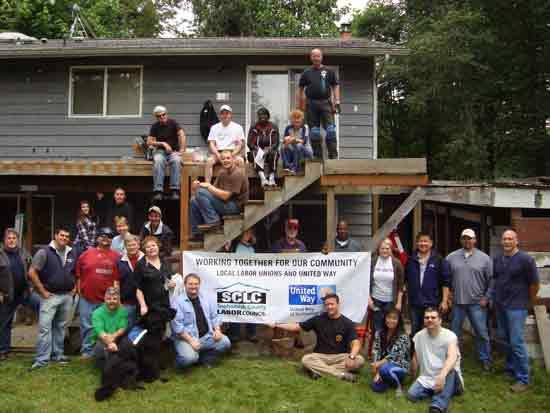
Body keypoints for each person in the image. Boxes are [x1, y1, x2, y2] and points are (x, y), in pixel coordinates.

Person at [272, 293, 364, 381]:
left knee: (359, 360)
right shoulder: (318, 319)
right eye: (327, 305)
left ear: (338, 304)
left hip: (340, 357)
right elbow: (297, 327)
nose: (329, 307)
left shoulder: (348, 323)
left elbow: (355, 343)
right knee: (306, 359)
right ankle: (340, 374)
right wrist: (276, 325)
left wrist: (351, 357)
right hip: (320, 356)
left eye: (332, 304)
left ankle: (318, 371)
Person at [493, 229, 540, 392]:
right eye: (504, 239)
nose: (506, 242)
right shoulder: (498, 259)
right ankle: (511, 369)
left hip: (517, 306)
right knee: (505, 338)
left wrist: (529, 302)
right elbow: (496, 279)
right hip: (501, 305)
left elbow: (535, 284)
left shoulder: (526, 260)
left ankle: (523, 379)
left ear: (516, 241)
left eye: (510, 239)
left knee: (517, 342)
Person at [27, 227, 77, 370]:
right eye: (62, 235)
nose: (64, 238)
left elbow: (75, 272)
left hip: (66, 296)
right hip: (50, 296)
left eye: (67, 236)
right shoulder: (44, 252)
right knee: (45, 328)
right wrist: (42, 291)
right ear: (55, 235)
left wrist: (74, 288)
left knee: (60, 327)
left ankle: (58, 355)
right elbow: (31, 272)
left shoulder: (72, 252)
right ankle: (42, 359)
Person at [446, 228, 493, 371]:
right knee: (454, 334)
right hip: (457, 303)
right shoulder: (451, 257)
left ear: (475, 240)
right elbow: (445, 279)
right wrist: (447, 296)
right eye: (464, 238)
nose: (467, 241)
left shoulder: (485, 258)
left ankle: (485, 359)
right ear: (461, 240)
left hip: (477, 303)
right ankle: (453, 359)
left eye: (470, 238)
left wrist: (486, 297)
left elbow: (492, 280)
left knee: (481, 333)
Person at [75, 227, 121, 358]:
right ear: (97, 238)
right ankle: (87, 351)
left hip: (106, 300)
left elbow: (117, 279)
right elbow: (78, 274)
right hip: (86, 298)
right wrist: (79, 291)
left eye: (109, 236)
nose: (105, 238)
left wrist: (115, 297)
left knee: (106, 327)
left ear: (112, 240)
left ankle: (104, 351)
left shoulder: (117, 257)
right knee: (87, 326)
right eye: (102, 235)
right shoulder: (86, 254)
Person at [407, 307, 463, 413]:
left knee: (451, 369)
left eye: (433, 317)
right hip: (427, 377)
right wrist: (413, 377)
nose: (429, 320)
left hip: (448, 375)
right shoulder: (419, 336)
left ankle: (438, 405)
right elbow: (415, 357)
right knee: (411, 395)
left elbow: (452, 357)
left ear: (440, 320)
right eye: (426, 317)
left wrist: (442, 376)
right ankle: (439, 392)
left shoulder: (450, 336)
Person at [171, 273, 231, 368]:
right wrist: (191, 341)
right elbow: (178, 327)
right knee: (189, 358)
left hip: (206, 336)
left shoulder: (207, 298)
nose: (193, 286)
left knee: (225, 342)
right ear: (184, 285)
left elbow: (214, 317)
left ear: (199, 285)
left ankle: (204, 358)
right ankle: (179, 362)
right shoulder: (177, 302)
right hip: (186, 339)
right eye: (190, 284)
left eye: (196, 284)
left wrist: (217, 330)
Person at [191, 150, 249, 237]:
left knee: (200, 192)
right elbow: (213, 190)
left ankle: (214, 222)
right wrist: (197, 186)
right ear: (220, 161)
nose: (225, 160)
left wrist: (207, 187)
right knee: (194, 200)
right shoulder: (222, 172)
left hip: (235, 207)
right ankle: (197, 233)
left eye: (228, 158)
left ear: (233, 159)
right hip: (225, 203)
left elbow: (226, 196)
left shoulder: (237, 174)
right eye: (223, 159)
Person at [0, 228, 37, 360]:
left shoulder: (23, 253)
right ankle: (3, 350)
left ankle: (45, 347)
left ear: (17, 240)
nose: (11, 240)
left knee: (42, 306)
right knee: (5, 323)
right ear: (4, 240)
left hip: (24, 293)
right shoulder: (1, 254)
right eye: (9, 238)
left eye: (14, 238)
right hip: (7, 295)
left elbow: (32, 269)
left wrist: (32, 286)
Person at [297, 48, 341, 159]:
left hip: (326, 103)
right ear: (311, 58)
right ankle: (318, 157)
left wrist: (337, 101)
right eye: (314, 56)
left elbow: (335, 86)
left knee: (330, 130)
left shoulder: (329, 71)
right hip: (311, 104)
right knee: (314, 132)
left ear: (321, 57)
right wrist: (301, 105)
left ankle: (333, 156)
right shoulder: (306, 73)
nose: (316, 58)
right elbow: (301, 89)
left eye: (318, 56)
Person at [405, 232, 451, 337]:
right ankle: (415, 353)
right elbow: (405, 280)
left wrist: (444, 301)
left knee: (432, 331)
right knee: (415, 332)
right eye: (420, 241)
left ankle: (432, 353)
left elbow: (446, 282)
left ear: (431, 243)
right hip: (415, 303)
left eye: (426, 241)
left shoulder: (439, 260)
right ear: (417, 243)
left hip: (432, 302)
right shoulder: (411, 260)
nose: (423, 243)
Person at [147, 105, 187, 201]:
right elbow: (149, 142)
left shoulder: (173, 123)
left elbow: (182, 134)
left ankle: (175, 190)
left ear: (166, 114)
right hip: (160, 151)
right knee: (158, 161)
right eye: (159, 116)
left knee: (176, 161)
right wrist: (163, 143)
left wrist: (182, 150)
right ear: (156, 117)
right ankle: (158, 191)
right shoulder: (155, 126)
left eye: (163, 115)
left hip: (173, 152)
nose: (162, 117)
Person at [371, 308, 411, 396]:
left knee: (384, 370)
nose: (391, 320)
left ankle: (398, 383)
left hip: (399, 365)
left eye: (394, 318)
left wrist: (379, 366)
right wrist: (376, 369)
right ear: (385, 318)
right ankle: (387, 380)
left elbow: (395, 355)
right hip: (382, 366)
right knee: (376, 387)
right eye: (389, 317)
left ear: (398, 321)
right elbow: (376, 351)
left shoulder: (403, 336)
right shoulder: (379, 333)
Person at [227, 228, 258, 343]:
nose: (248, 234)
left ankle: (252, 333)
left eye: (250, 232)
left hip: (250, 281)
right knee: (235, 306)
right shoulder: (234, 246)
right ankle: (234, 333)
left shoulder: (252, 248)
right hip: (236, 281)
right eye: (245, 232)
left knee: (252, 306)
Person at [369, 238, 405, 334]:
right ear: (378, 249)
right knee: (377, 327)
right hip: (376, 300)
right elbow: (366, 282)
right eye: (382, 248)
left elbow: (401, 284)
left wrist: (399, 302)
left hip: (391, 301)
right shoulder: (372, 262)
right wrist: (369, 300)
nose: (385, 250)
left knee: (390, 326)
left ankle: (389, 347)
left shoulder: (396, 263)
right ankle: (378, 346)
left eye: (387, 248)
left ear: (391, 249)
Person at [134, 236, 176, 316]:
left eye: (153, 245)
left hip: (165, 304)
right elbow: (138, 289)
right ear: (144, 250)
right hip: (149, 307)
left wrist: (171, 284)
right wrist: (143, 305)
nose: (151, 248)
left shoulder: (165, 261)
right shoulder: (140, 264)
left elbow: (168, 280)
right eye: (148, 247)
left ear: (158, 246)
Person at [205, 104, 245, 184]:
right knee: (209, 161)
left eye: (227, 113)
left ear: (231, 115)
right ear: (220, 115)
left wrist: (232, 155)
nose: (225, 115)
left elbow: (240, 144)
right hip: (218, 153)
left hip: (232, 152)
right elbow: (211, 143)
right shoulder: (214, 127)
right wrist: (217, 154)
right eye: (222, 113)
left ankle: (241, 184)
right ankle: (207, 185)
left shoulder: (238, 127)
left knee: (240, 161)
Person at [91, 287, 128, 369]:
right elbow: (100, 332)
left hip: (117, 338)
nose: (111, 301)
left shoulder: (123, 311)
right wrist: (110, 343)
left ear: (119, 300)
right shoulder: (97, 313)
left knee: (127, 345)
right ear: (104, 299)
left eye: (115, 299)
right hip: (101, 339)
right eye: (108, 298)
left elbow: (122, 328)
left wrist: (113, 338)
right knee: (100, 349)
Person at [247, 107, 279, 188]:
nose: (262, 117)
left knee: (274, 153)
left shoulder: (273, 126)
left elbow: (276, 143)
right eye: (260, 115)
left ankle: (272, 178)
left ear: (268, 116)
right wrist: (258, 149)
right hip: (256, 151)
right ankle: (263, 178)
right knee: (256, 153)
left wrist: (268, 149)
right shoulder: (254, 127)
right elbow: (249, 143)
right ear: (258, 116)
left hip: (269, 152)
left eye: (264, 115)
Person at [117, 234, 143, 328]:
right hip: (126, 302)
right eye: (129, 245)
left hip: (144, 303)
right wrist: (118, 300)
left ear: (138, 245)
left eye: (134, 244)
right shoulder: (120, 261)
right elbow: (116, 281)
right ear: (125, 247)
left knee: (142, 330)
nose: (132, 247)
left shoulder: (146, 259)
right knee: (126, 328)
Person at [281, 109, 313, 174]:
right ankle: (287, 166)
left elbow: (304, 141)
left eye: (298, 121)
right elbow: (285, 139)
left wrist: (294, 139)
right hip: (294, 150)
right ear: (292, 121)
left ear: (301, 120)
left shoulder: (305, 127)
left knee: (298, 146)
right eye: (294, 121)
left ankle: (295, 168)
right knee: (283, 148)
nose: (296, 122)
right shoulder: (288, 128)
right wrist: (286, 141)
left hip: (306, 152)